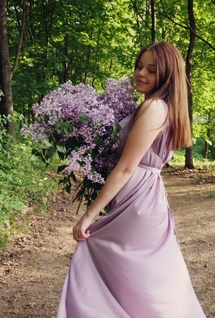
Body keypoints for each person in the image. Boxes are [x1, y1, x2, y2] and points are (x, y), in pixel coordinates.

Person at [57, 42, 206, 318]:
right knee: (138, 282)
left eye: (151, 70)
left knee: (132, 279)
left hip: (139, 203)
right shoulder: (157, 106)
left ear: (167, 74)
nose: (141, 74)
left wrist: (88, 215)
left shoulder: (154, 108)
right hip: (142, 199)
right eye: (139, 66)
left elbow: (126, 168)